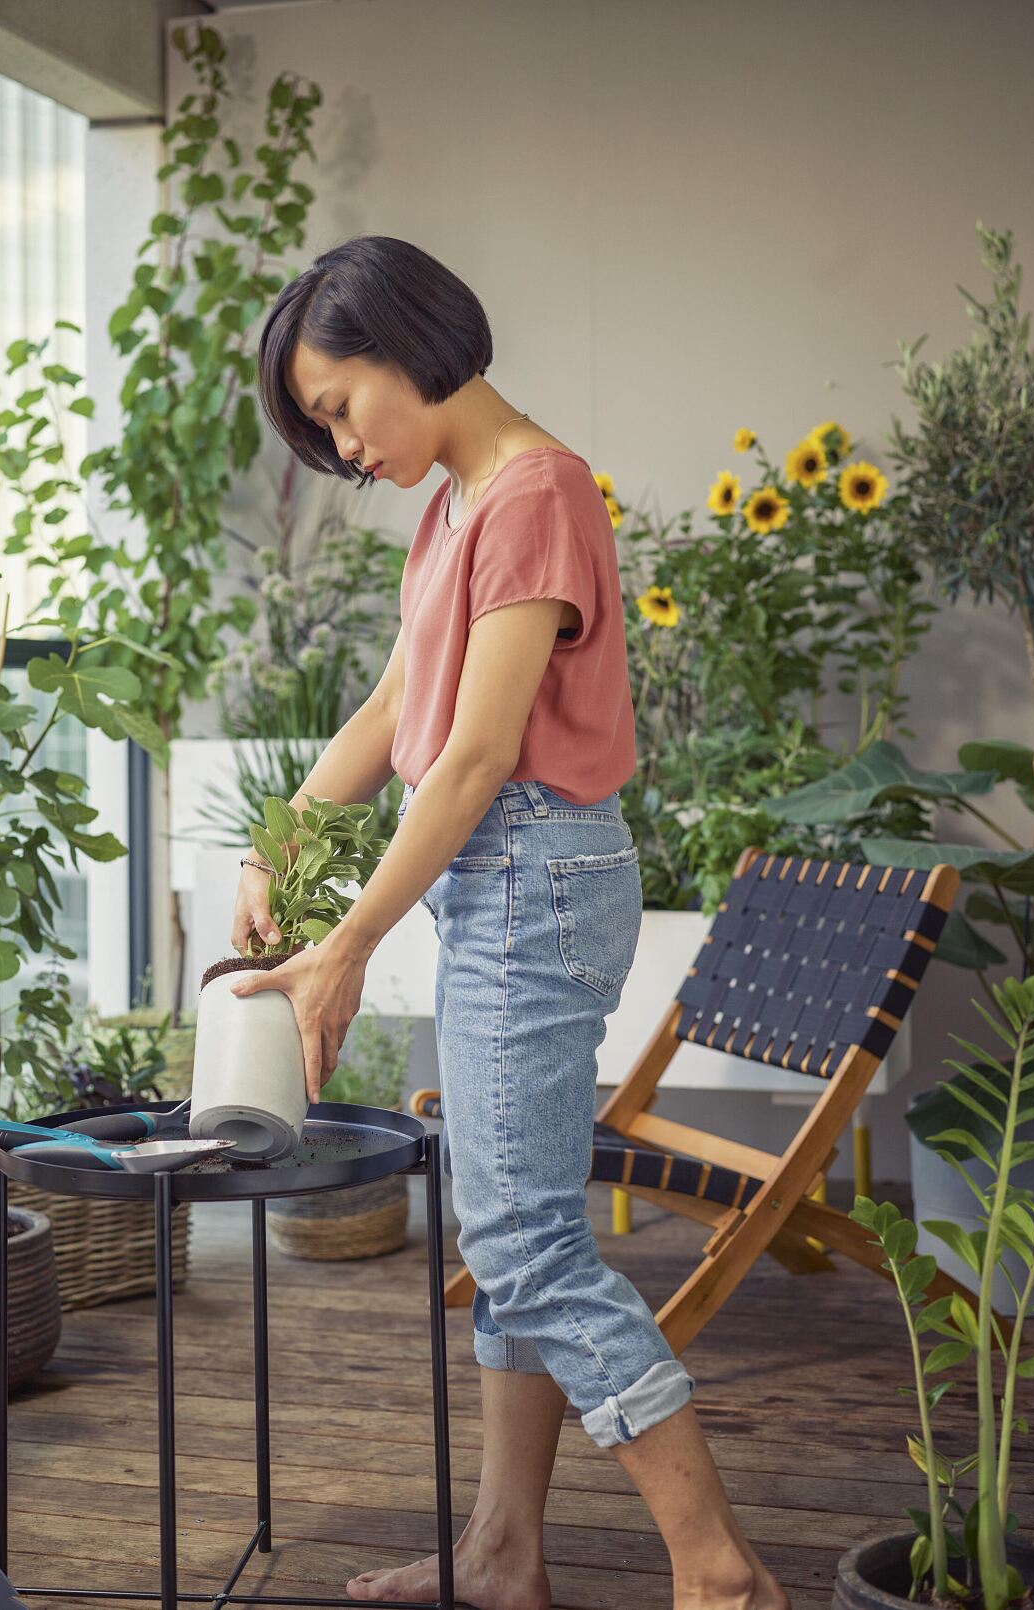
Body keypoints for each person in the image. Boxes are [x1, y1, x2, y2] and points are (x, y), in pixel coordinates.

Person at [229, 235, 789, 1610]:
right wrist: (284, 836)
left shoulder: (534, 491)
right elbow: (386, 713)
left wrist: (347, 941)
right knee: (510, 1232)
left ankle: (719, 1570)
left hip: (529, 870)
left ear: (407, 345)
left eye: (340, 410)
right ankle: (500, 1553)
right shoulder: (463, 500)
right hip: (504, 876)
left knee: (529, 1239)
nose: (345, 451)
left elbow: (475, 760)